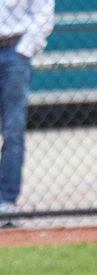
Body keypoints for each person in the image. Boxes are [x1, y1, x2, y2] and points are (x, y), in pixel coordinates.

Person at [0, 0, 54, 226]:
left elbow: (43, 11)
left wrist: (24, 50)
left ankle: (5, 202)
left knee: (13, 131)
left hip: (14, 50)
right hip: (16, 54)